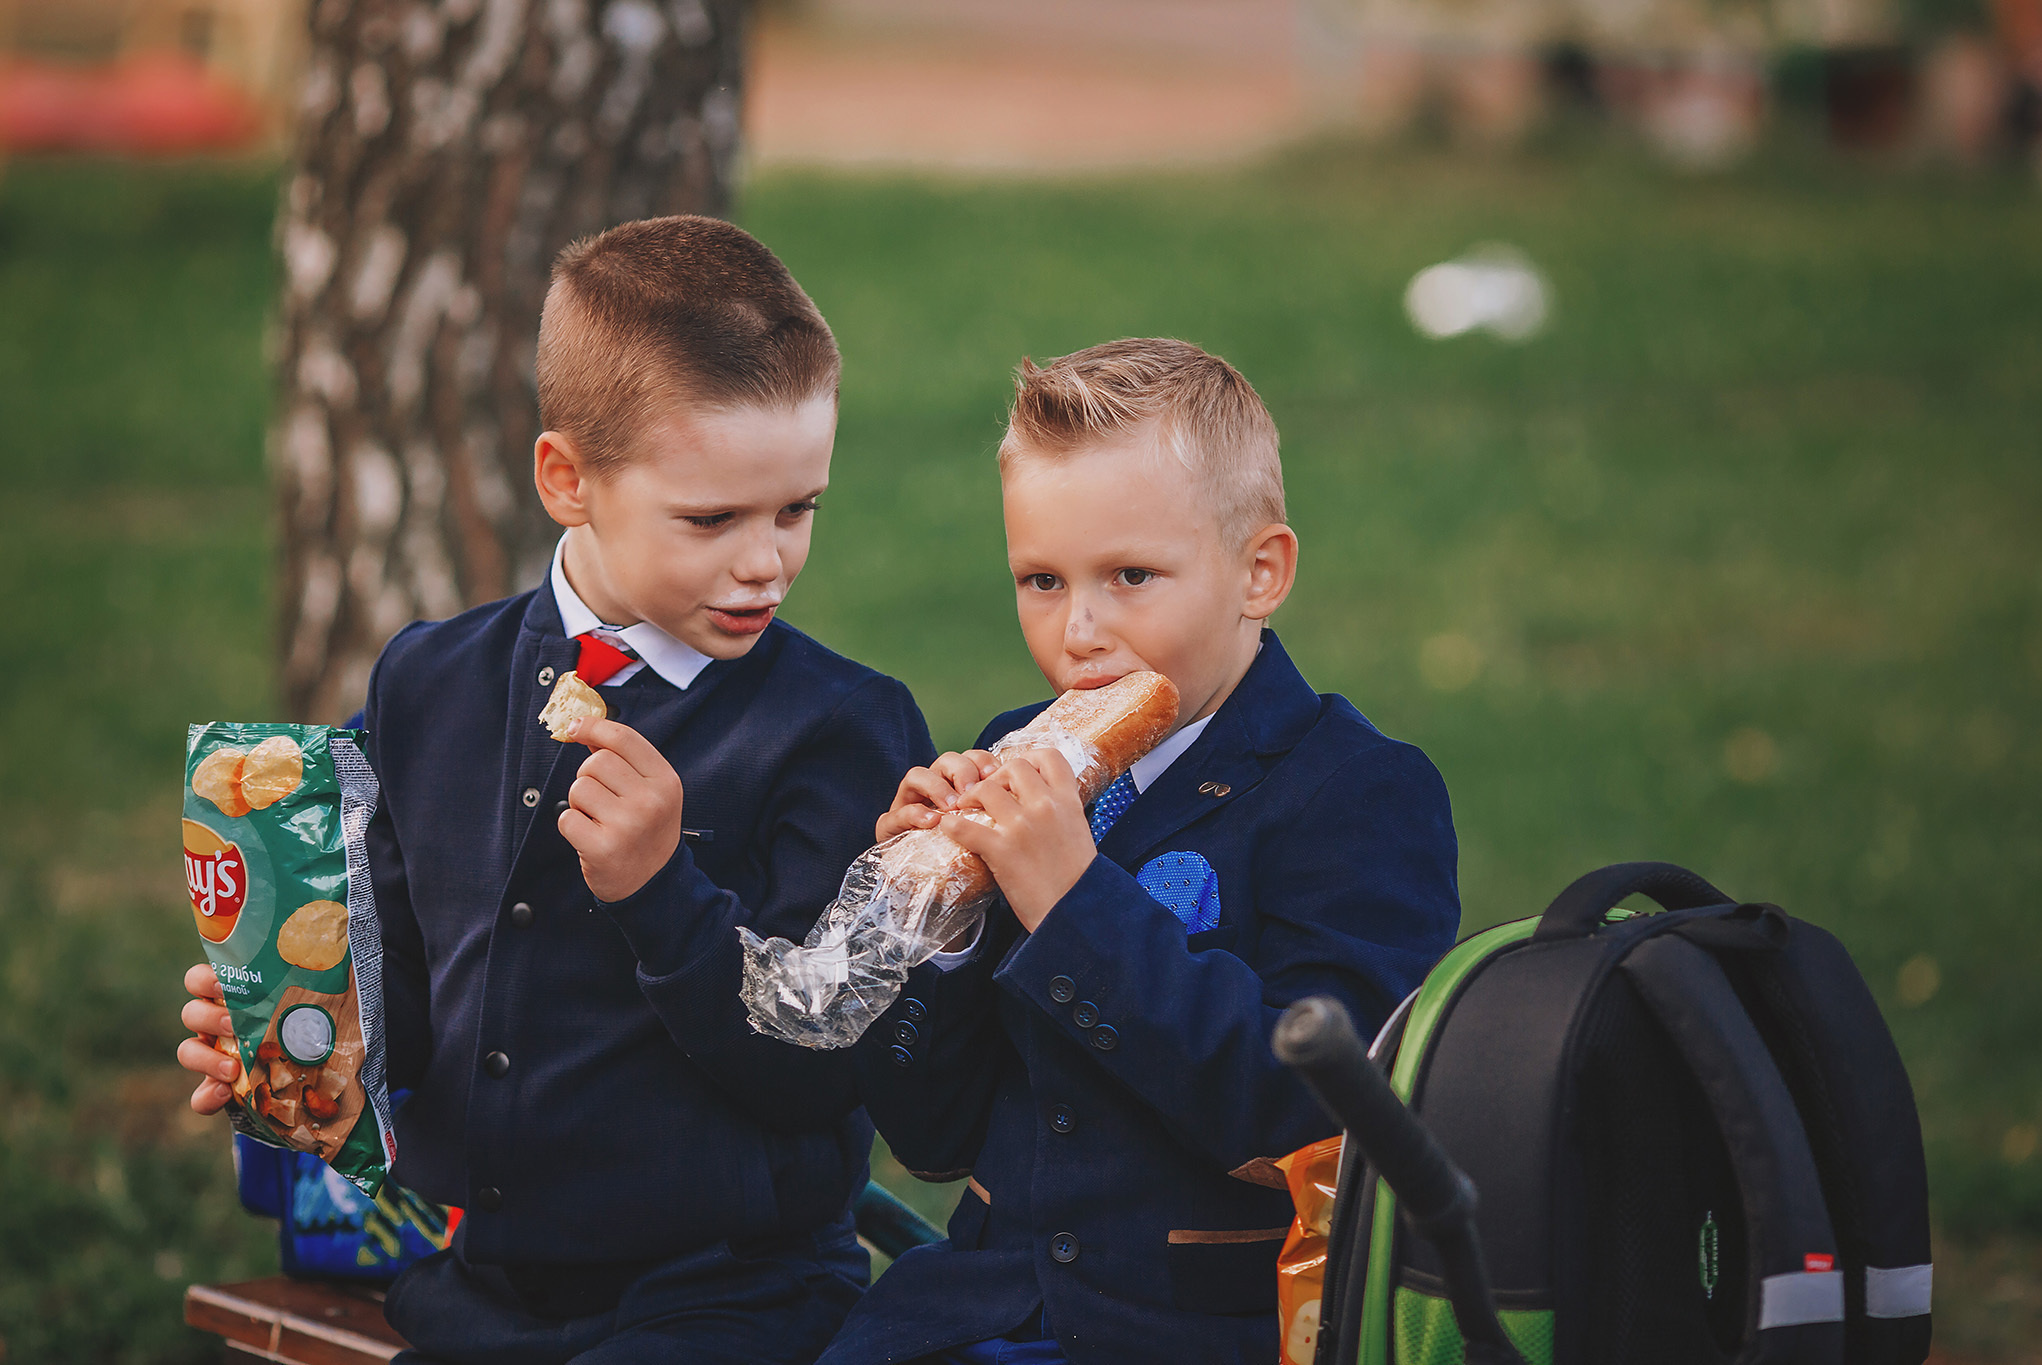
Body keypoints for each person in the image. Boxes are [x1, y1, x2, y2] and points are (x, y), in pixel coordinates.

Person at [175, 215, 936, 1365]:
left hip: (730, 1300)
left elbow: (817, 1074)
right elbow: (407, 997)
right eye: (710, 518)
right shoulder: (428, 684)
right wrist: (292, 1045)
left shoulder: (839, 729)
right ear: (566, 478)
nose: (764, 560)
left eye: (797, 510)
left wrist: (658, 889)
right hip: (476, 1291)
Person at [818, 339, 1461, 1365]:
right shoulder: (1012, 746)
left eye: (1129, 576)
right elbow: (931, 1140)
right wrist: (934, 925)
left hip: (1199, 1327)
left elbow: (1315, 1120)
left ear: (1260, 572)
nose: (1079, 630)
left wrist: (1071, 901)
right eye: (1039, 579)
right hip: (965, 1314)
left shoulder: (1355, 792)